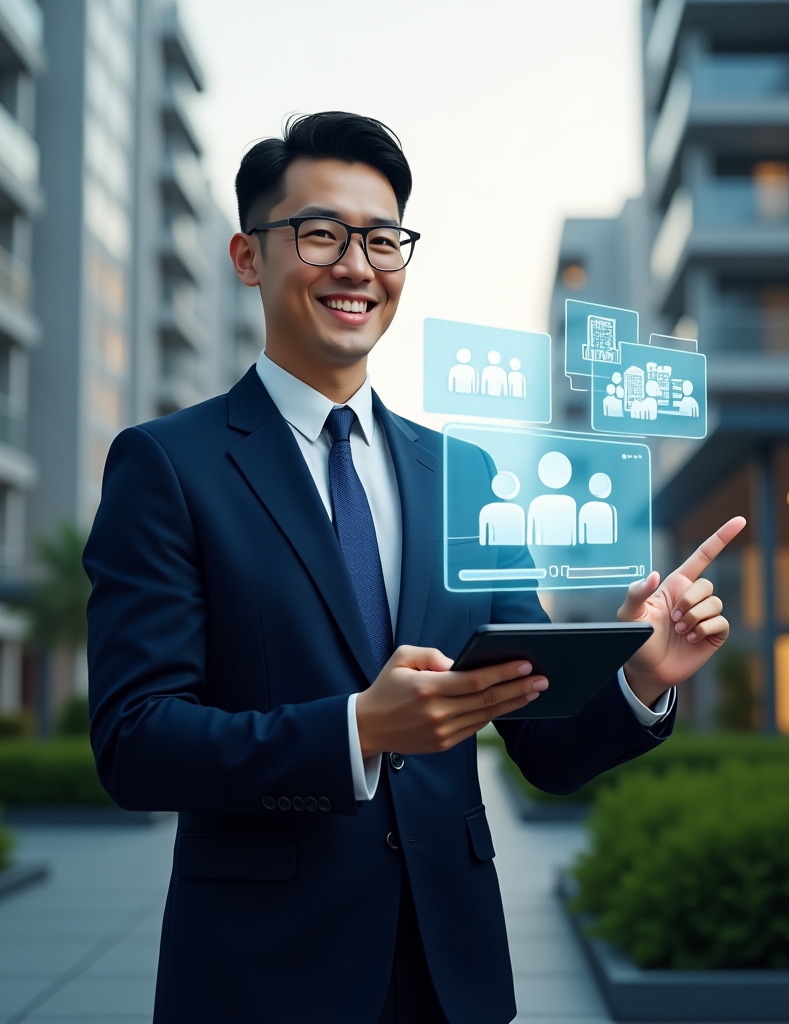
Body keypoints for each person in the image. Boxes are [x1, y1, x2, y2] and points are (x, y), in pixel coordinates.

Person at [84, 111, 745, 1024]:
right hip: (263, 975)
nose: (357, 265)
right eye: (320, 233)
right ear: (248, 256)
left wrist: (637, 676)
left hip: (450, 973)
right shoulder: (167, 465)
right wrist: (356, 728)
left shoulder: (464, 475)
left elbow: (541, 739)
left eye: (384, 238)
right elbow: (135, 741)